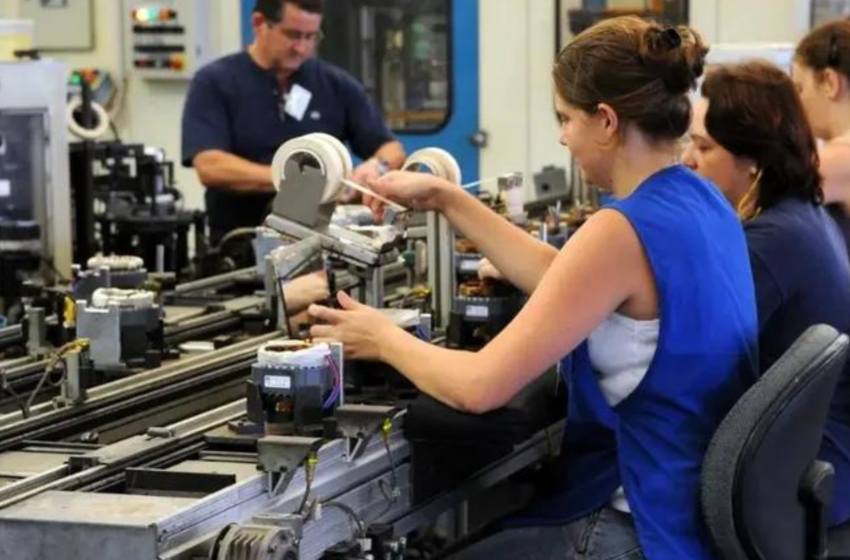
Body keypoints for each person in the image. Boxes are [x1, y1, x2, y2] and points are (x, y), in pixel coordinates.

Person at [308, 16, 758, 560]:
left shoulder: (620, 229)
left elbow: (478, 387)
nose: (563, 136)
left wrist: (382, 337)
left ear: (608, 122)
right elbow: (565, 278)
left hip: (640, 526)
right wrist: (449, 200)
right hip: (693, 512)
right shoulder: (703, 199)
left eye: (567, 119)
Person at [681, 59, 850, 529]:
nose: (687, 160)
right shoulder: (803, 213)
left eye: (703, 146)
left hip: (801, 476)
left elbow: (686, 353)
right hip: (821, 460)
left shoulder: (772, 242)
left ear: (752, 160)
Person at [181, 0, 406, 245]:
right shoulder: (215, 82)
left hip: (321, 242)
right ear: (259, 24)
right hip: (238, 242)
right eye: (292, 35)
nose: (301, 47)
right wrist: (300, 181)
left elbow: (391, 150)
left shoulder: (336, 85)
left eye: (311, 37)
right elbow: (210, 165)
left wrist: (377, 167)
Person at [793, 19, 850, 261]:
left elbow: (757, 201)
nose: (795, 103)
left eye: (800, 88)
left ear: (829, 82)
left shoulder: (840, 158)